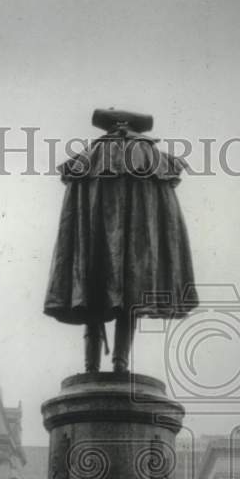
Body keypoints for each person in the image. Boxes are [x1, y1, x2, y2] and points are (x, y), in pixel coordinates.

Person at [44, 108, 198, 373]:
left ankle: (91, 366)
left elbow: (76, 210)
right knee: (130, 296)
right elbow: (165, 215)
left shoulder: (89, 156)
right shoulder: (153, 157)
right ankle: (120, 362)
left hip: (95, 245)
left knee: (92, 293)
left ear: (108, 128)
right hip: (136, 249)